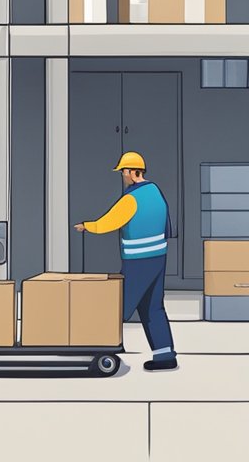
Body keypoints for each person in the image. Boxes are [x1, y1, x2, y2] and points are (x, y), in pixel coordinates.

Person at [74, 151, 178, 371]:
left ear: (132, 172)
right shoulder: (155, 191)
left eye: (123, 172)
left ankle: (98, 347)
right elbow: (168, 224)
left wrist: (87, 225)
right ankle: (165, 355)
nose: (122, 176)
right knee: (152, 307)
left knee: (119, 306)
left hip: (138, 261)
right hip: (158, 257)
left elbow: (110, 221)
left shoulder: (131, 198)